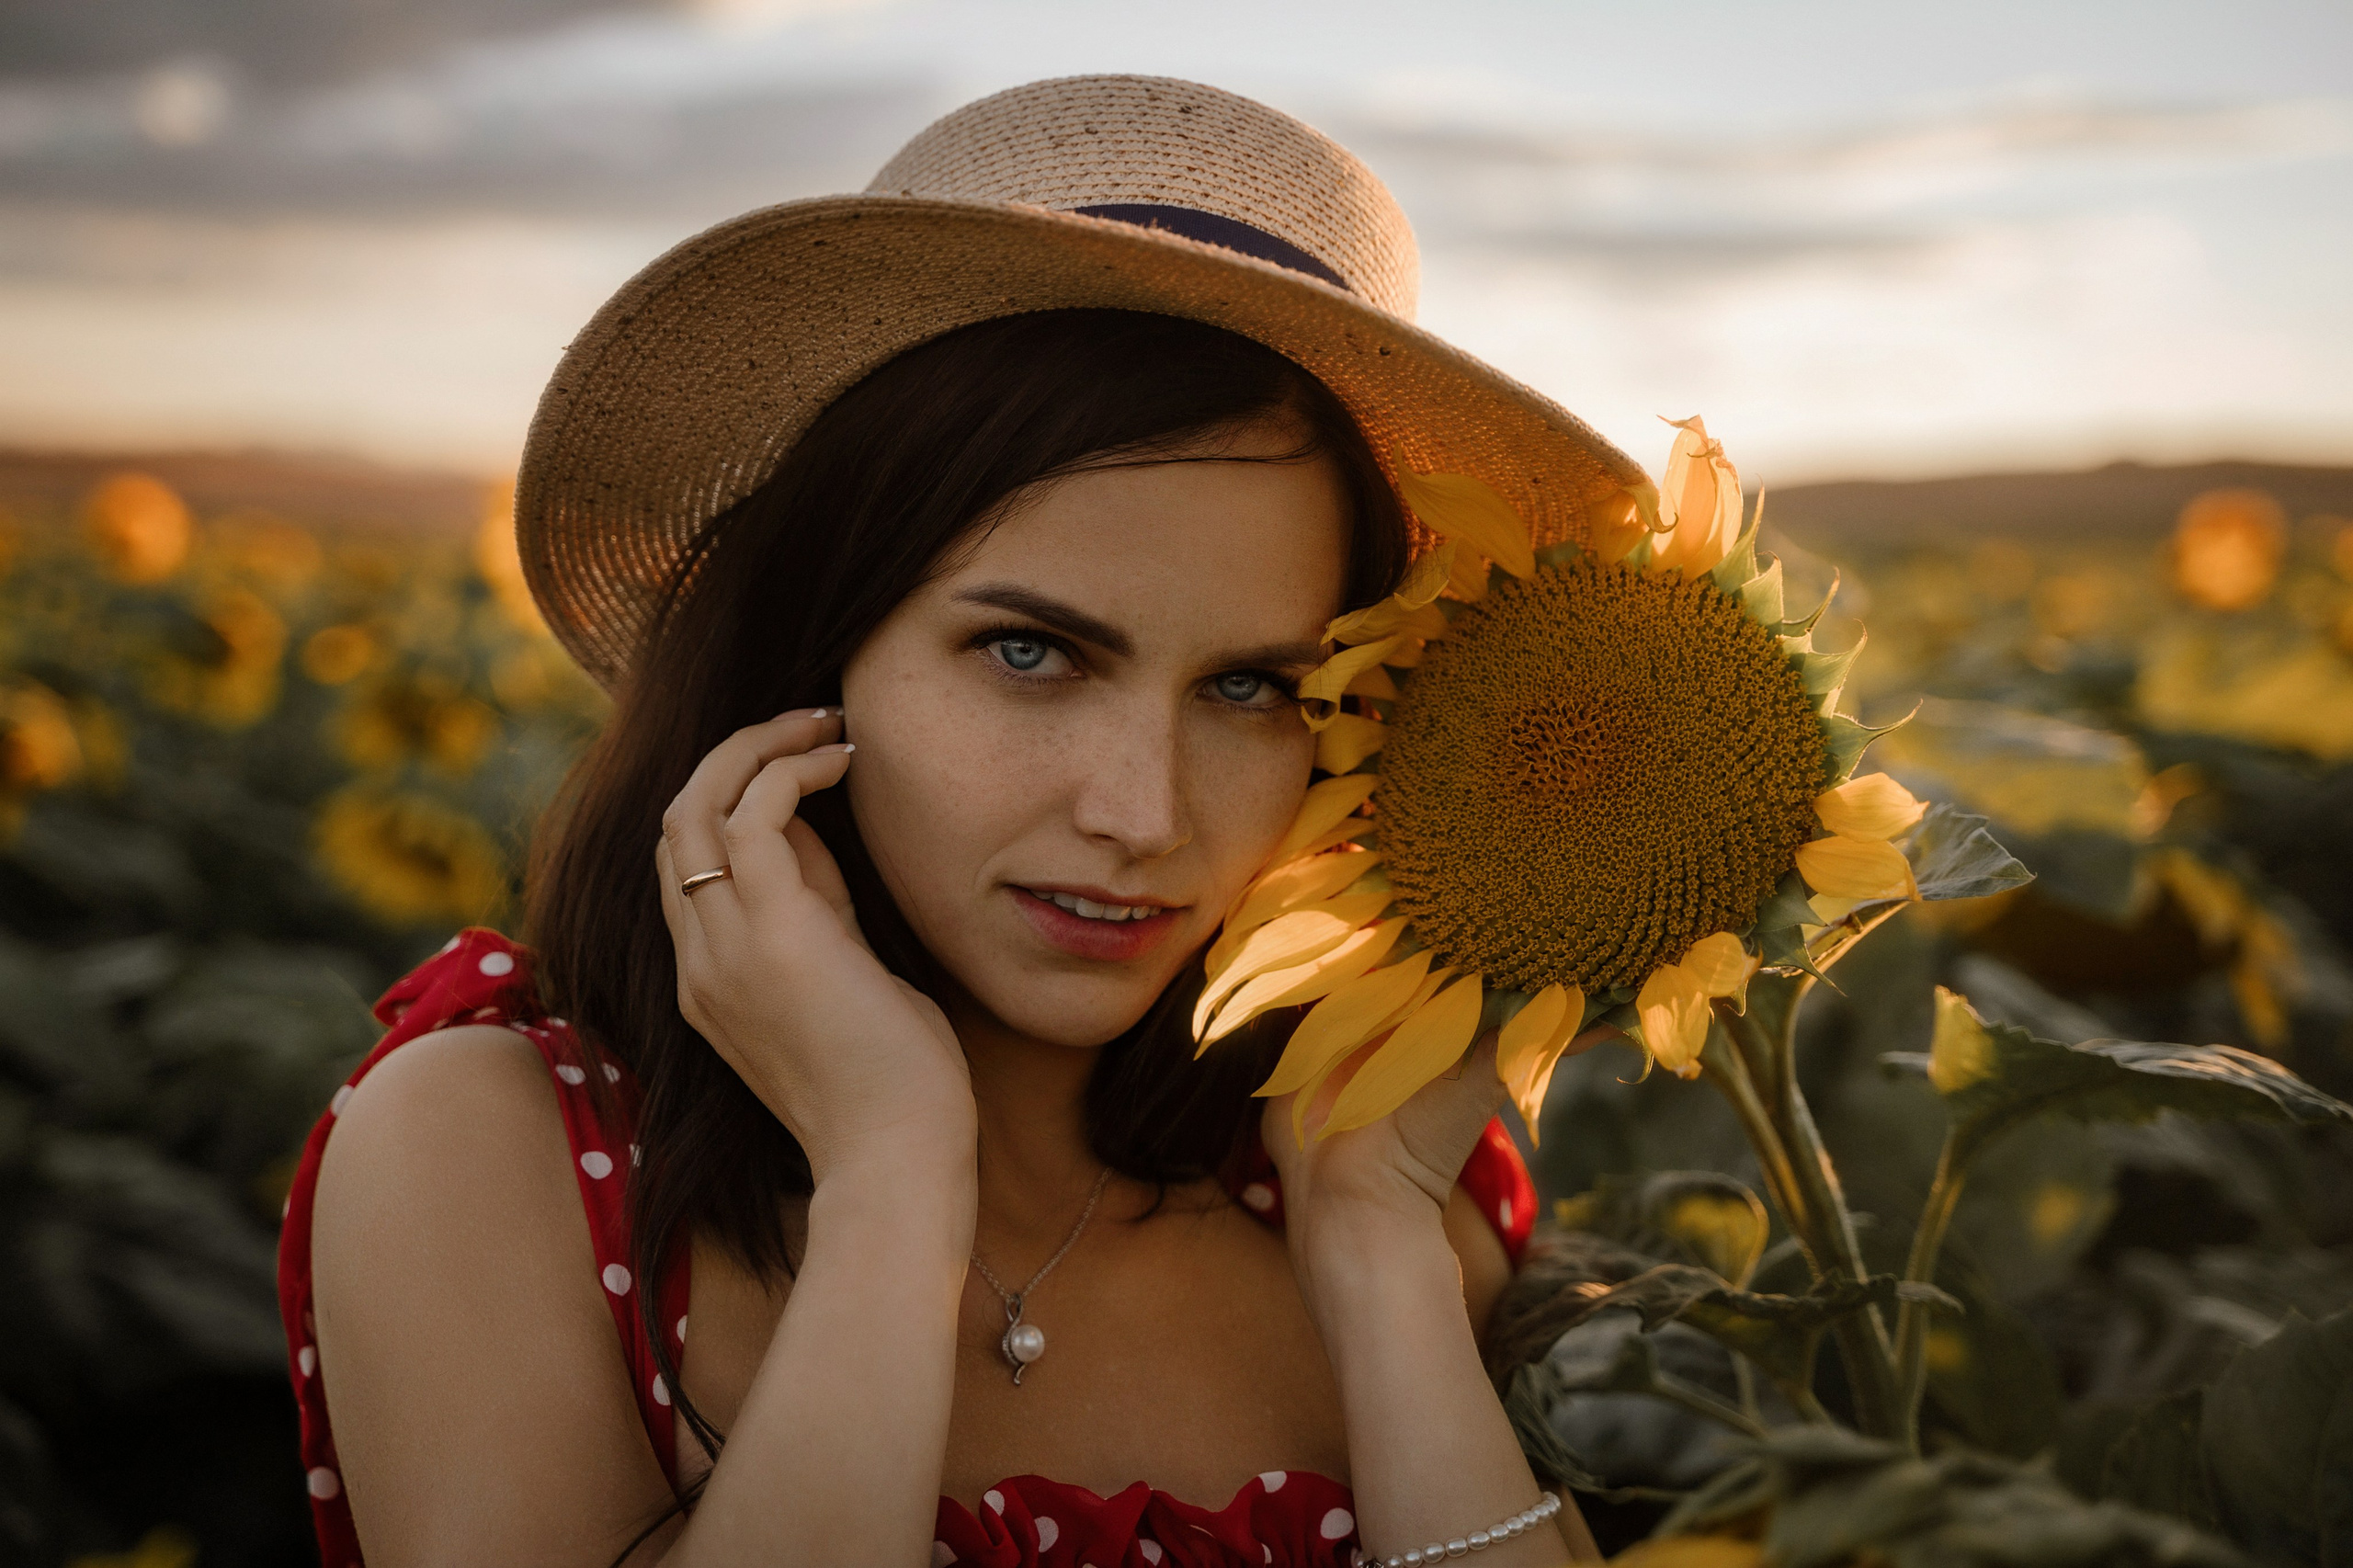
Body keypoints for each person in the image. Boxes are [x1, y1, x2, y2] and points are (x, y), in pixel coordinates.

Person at [279, 74, 1651, 1566]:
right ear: (816, 650)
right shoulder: (494, 1155)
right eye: (1030, 651)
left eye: (1256, 686)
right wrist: (890, 1179)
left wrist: (1377, 1252)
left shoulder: (1371, 1174)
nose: (1142, 813)